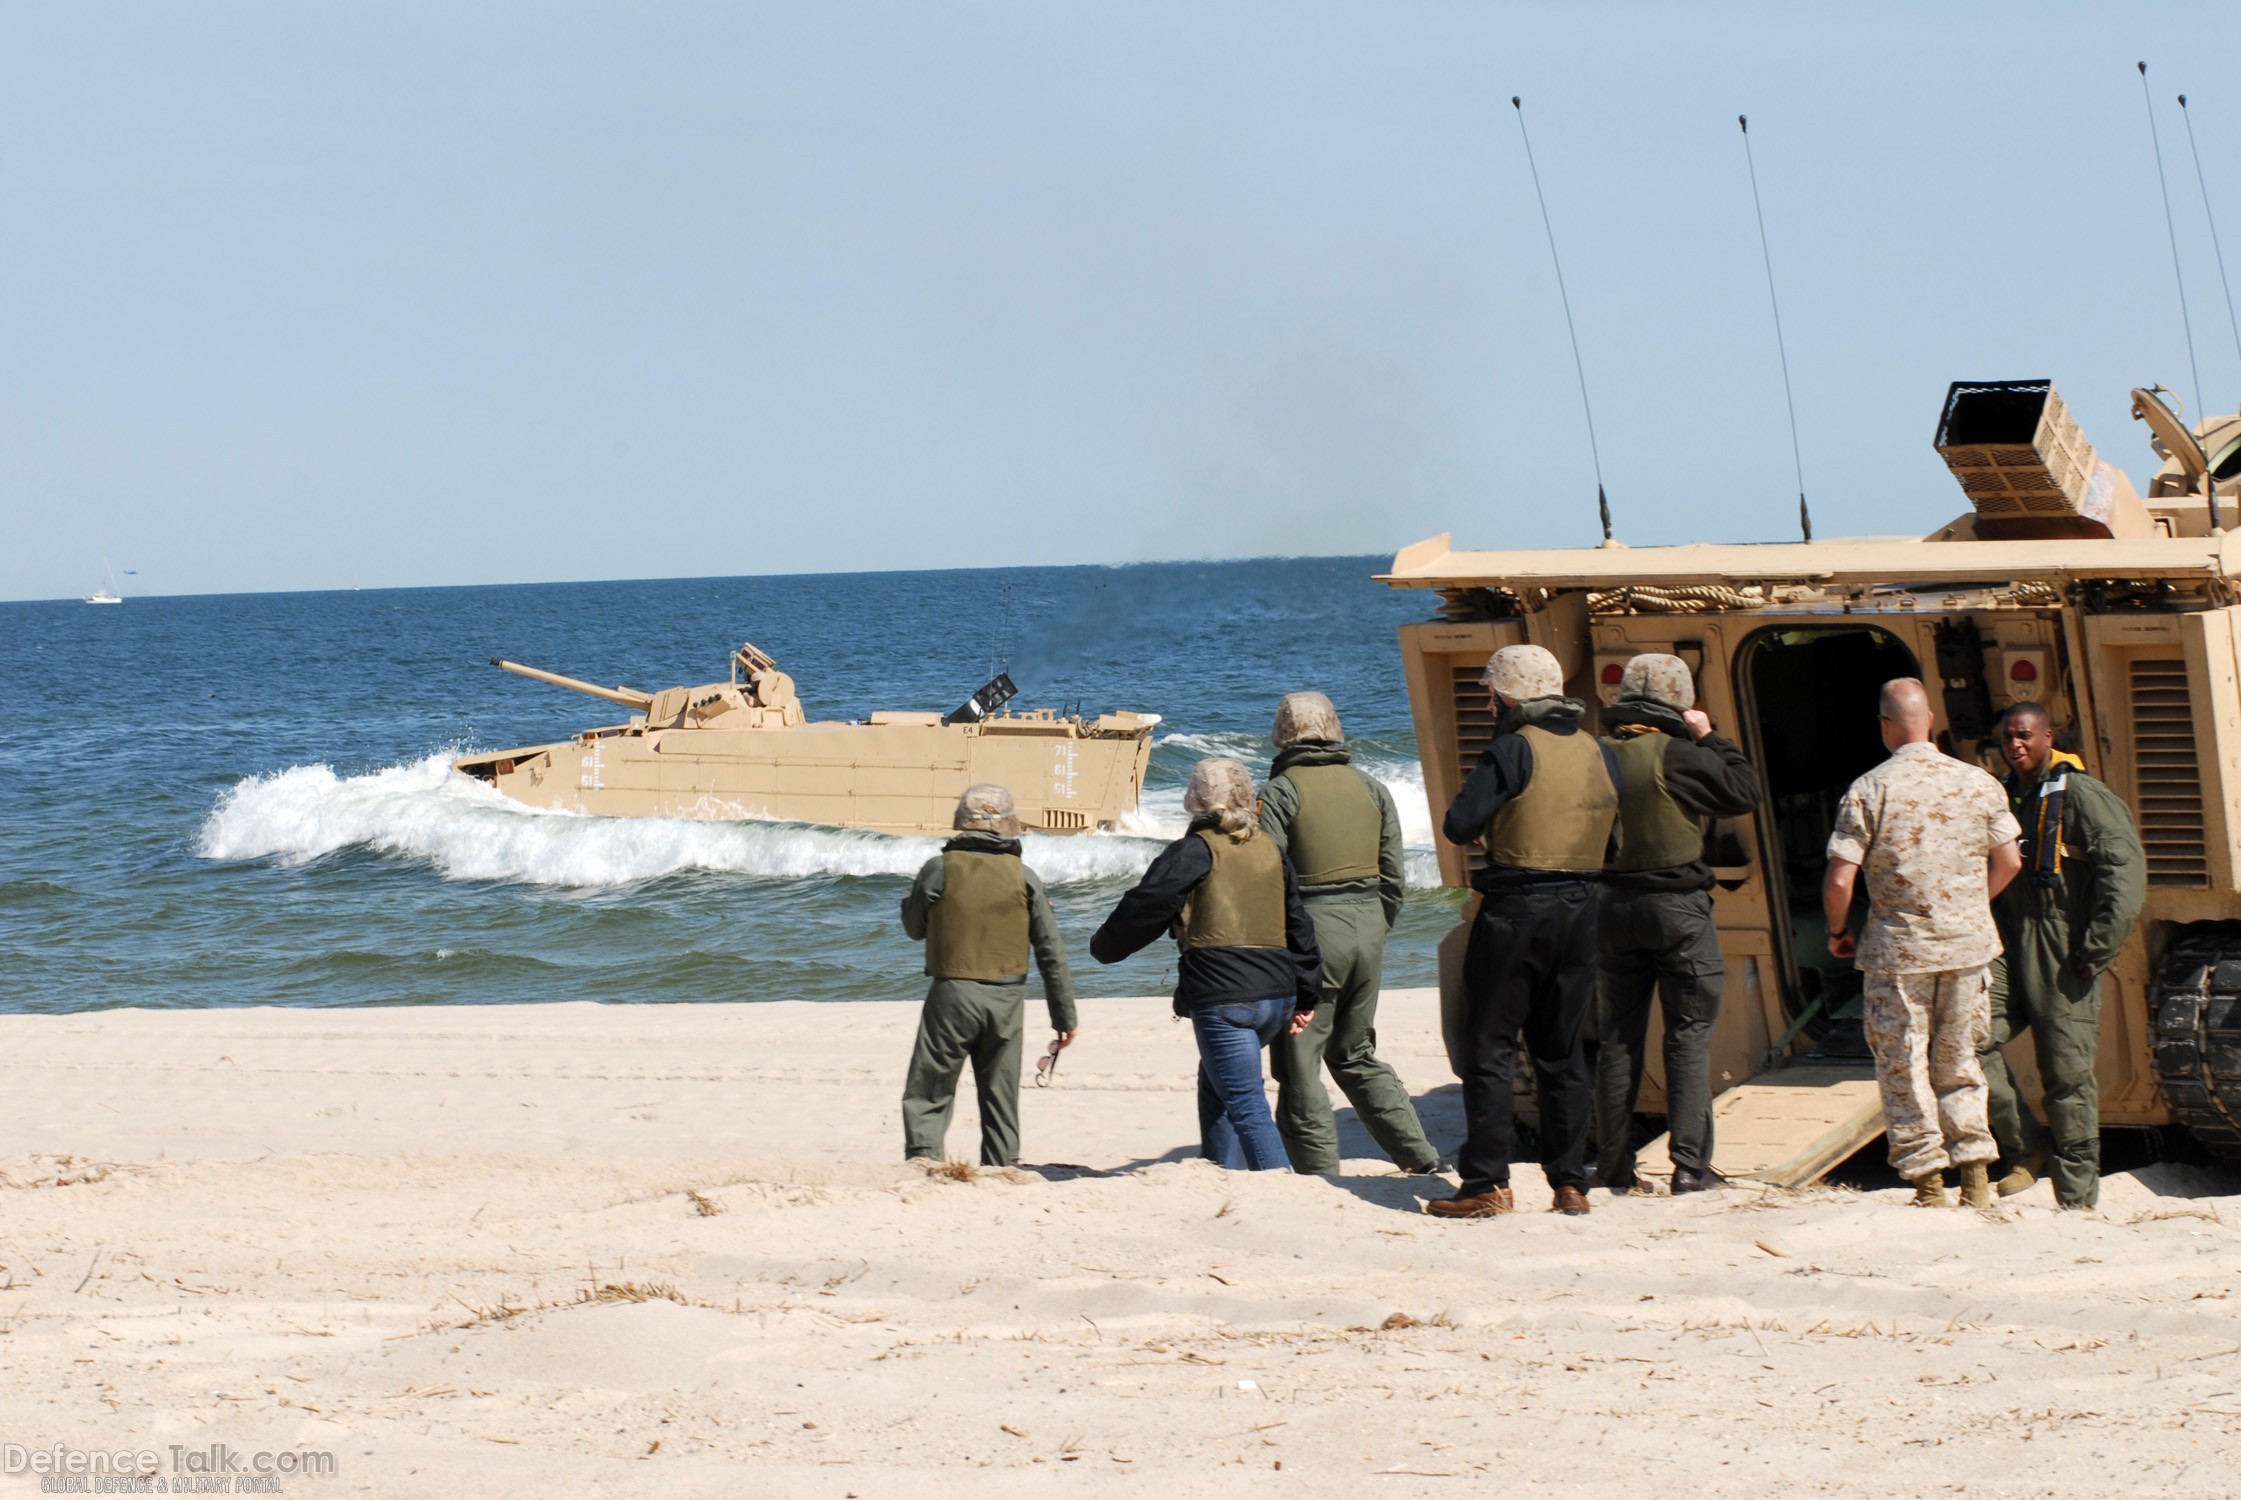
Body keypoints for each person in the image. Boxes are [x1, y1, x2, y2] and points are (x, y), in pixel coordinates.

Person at [1431, 643, 1622, 1218]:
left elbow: (1458, 824)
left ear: (1508, 695)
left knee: (1488, 1044)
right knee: (1560, 1051)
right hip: (1582, 908)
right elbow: (1611, 837)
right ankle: (1569, 1183)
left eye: (1491, 694)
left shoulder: (1512, 748)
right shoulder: (1597, 749)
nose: (1488, 704)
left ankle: (1487, 1183)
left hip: (1516, 908)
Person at [1823, 679, 2022, 1209]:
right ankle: (1976, 1175)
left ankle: (1928, 1182)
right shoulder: (1979, 783)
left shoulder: (1868, 789)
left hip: (1898, 953)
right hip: (1967, 947)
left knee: (1903, 1063)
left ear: (1886, 726)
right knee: (1960, 1060)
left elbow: (1841, 879)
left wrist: (1838, 932)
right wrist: (1971, 907)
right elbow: (2010, 861)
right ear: (1929, 718)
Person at [1092, 757, 1321, 1171]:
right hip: (1279, 997)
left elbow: (1146, 906)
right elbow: (1299, 925)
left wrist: (1104, 948)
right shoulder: (1271, 851)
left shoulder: (1193, 851)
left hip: (1227, 1001)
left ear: (1196, 800)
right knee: (1217, 1082)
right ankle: (1219, 1171)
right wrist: (1306, 996)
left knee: (1247, 1103)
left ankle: (1281, 1188)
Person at [1593, 654, 1760, 1195]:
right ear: (1679, 704)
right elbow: (1743, 791)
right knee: (1688, 1036)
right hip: (1678, 908)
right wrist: (1710, 737)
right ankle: (1689, 1166)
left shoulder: (1592, 754)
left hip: (1610, 907)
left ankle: (1615, 1167)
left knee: (1619, 1039)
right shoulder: (1681, 755)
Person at [1259, 692, 1439, 1176]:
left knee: (1300, 1063)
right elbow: (1393, 877)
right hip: (1369, 930)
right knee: (1355, 1052)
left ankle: (1317, 1174)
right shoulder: (1373, 787)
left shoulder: (1280, 793)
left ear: (1282, 734)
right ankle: (1420, 1158)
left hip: (1315, 934)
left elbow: (1270, 879)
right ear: (1334, 729)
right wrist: (1375, 929)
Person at [1979, 701, 2145, 1209]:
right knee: (1968, 1039)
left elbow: (2126, 874)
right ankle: (2029, 1149)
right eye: (2008, 738)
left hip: (2061, 948)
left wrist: (2094, 949)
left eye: (2025, 735)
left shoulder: (2082, 796)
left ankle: (2077, 1198)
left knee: (2066, 1074)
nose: (2016, 746)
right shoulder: (2004, 796)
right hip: (2008, 943)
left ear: (2048, 736)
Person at [899, 784, 1077, 1167]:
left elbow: (914, 928)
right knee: (1000, 1094)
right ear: (1007, 825)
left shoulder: (938, 869)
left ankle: (924, 1159)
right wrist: (1064, 1018)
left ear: (963, 823)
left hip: (950, 995)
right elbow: (1051, 953)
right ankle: (1001, 1165)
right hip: (1007, 1000)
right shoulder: (1025, 877)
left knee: (930, 1088)